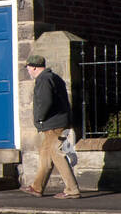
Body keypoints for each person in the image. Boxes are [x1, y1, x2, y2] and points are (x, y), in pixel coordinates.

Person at [21, 54, 81, 199]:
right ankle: (37, 187)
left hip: (54, 124)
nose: (28, 70)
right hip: (57, 122)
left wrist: (39, 119)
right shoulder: (53, 77)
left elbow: (45, 102)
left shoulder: (43, 79)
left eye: (28, 67)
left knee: (56, 154)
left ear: (34, 67)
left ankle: (72, 189)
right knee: (45, 154)